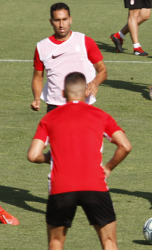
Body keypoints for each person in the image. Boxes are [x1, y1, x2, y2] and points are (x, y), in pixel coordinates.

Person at [27, 72, 132, 250]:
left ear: (62, 93)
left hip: (61, 186)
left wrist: (50, 158)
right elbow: (125, 146)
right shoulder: (101, 115)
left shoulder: (49, 118)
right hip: (94, 184)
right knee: (109, 242)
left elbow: (33, 155)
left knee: (56, 242)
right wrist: (108, 167)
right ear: (86, 92)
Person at [31, 2, 107, 113]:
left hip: (83, 104)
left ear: (70, 19)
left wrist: (94, 83)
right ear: (51, 22)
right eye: (57, 20)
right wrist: (37, 98)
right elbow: (38, 78)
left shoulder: (85, 41)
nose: (61, 25)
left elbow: (102, 71)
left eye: (64, 19)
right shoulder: (41, 47)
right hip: (55, 106)